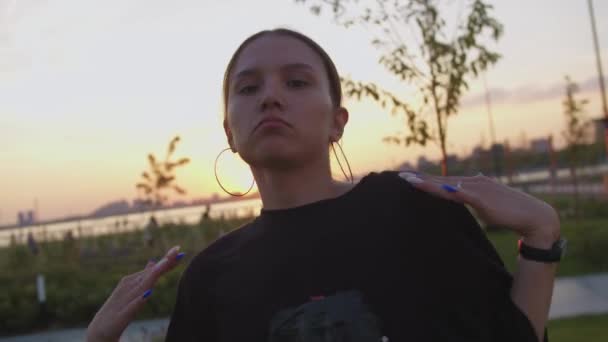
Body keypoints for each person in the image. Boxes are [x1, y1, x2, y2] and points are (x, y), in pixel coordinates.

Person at [86, 28, 562, 342]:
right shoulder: (210, 277)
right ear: (230, 132)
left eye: (296, 82)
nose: (270, 96)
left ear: (337, 122)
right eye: (248, 89)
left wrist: (541, 237)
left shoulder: (415, 210)